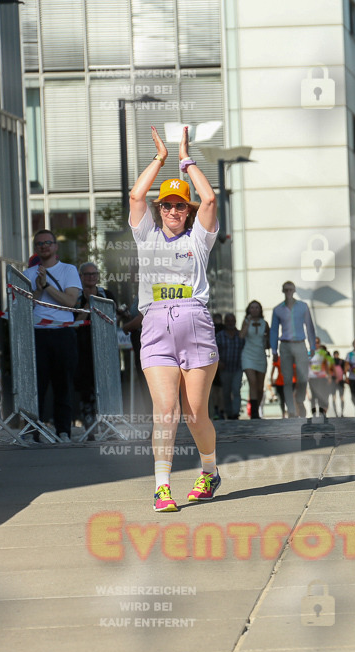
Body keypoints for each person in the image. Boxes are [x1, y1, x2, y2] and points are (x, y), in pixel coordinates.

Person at [129, 125, 221, 512]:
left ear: (188, 211)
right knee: (166, 411)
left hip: (194, 321)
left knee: (195, 413)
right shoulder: (146, 235)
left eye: (180, 205)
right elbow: (136, 195)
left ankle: (209, 471)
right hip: (155, 326)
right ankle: (162, 487)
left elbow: (211, 198)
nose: (172, 211)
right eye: (166, 205)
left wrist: (185, 158)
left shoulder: (198, 238)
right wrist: (160, 159)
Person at [23, 229, 81, 441]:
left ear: (55, 246)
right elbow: (23, 307)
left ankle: (63, 430)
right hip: (37, 334)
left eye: (48, 242)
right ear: (35, 248)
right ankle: (32, 432)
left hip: (63, 333)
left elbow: (70, 302)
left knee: (63, 384)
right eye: (39, 244)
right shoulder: (28, 275)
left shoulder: (68, 270)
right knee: (36, 385)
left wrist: (47, 286)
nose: (44, 246)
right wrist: (38, 290)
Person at [73, 261, 117, 430]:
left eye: (94, 274)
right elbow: (74, 323)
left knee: (106, 387)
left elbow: (114, 318)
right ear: (81, 277)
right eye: (87, 274)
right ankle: (89, 425)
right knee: (86, 388)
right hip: (83, 348)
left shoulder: (107, 294)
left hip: (105, 348)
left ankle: (108, 424)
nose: (91, 278)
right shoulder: (76, 297)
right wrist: (86, 308)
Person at [270, 281, 315, 418]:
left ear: (294, 290)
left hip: (300, 343)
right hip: (285, 345)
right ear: (283, 291)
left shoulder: (303, 307)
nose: (288, 292)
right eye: (286, 289)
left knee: (302, 377)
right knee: (287, 378)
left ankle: (299, 400)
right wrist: (273, 351)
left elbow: (309, 326)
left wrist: (312, 345)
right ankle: (291, 409)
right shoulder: (277, 309)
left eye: (290, 289)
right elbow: (273, 330)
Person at [240, 300, 269, 419]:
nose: (254, 309)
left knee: (259, 386)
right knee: (252, 382)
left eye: (257, 307)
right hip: (248, 355)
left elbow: (268, 341)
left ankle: (258, 407)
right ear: (249, 309)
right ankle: (254, 413)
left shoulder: (264, 323)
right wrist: (248, 323)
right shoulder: (246, 321)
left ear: (260, 310)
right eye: (252, 307)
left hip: (260, 355)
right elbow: (241, 336)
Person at [216, 313, 244, 420]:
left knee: (236, 390)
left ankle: (236, 413)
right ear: (225, 322)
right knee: (226, 392)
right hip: (224, 369)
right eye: (228, 321)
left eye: (232, 321)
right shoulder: (220, 335)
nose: (230, 323)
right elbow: (214, 351)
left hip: (237, 368)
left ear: (235, 321)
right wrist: (218, 362)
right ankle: (229, 413)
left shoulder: (240, 335)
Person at [308, 337, 333, 417]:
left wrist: (329, 376)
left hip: (322, 377)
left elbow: (326, 365)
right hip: (312, 378)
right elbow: (307, 366)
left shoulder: (323, 353)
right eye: (314, 343)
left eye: (318, 342)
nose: (316, 344)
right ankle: (314, 413)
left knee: (321, 395)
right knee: (313, 396)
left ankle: (322, 413)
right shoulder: (309, 353)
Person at [330, 350, 346, 417]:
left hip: (340, 381)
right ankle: (335, 413)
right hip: (333, 381)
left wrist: (345, 379)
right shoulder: (331, 361)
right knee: (334, 397)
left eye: (337, 354)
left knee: (341, 397)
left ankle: (342, 412)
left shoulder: (341, 361)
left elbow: (344, 370)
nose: (336, 356)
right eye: (335, 354)